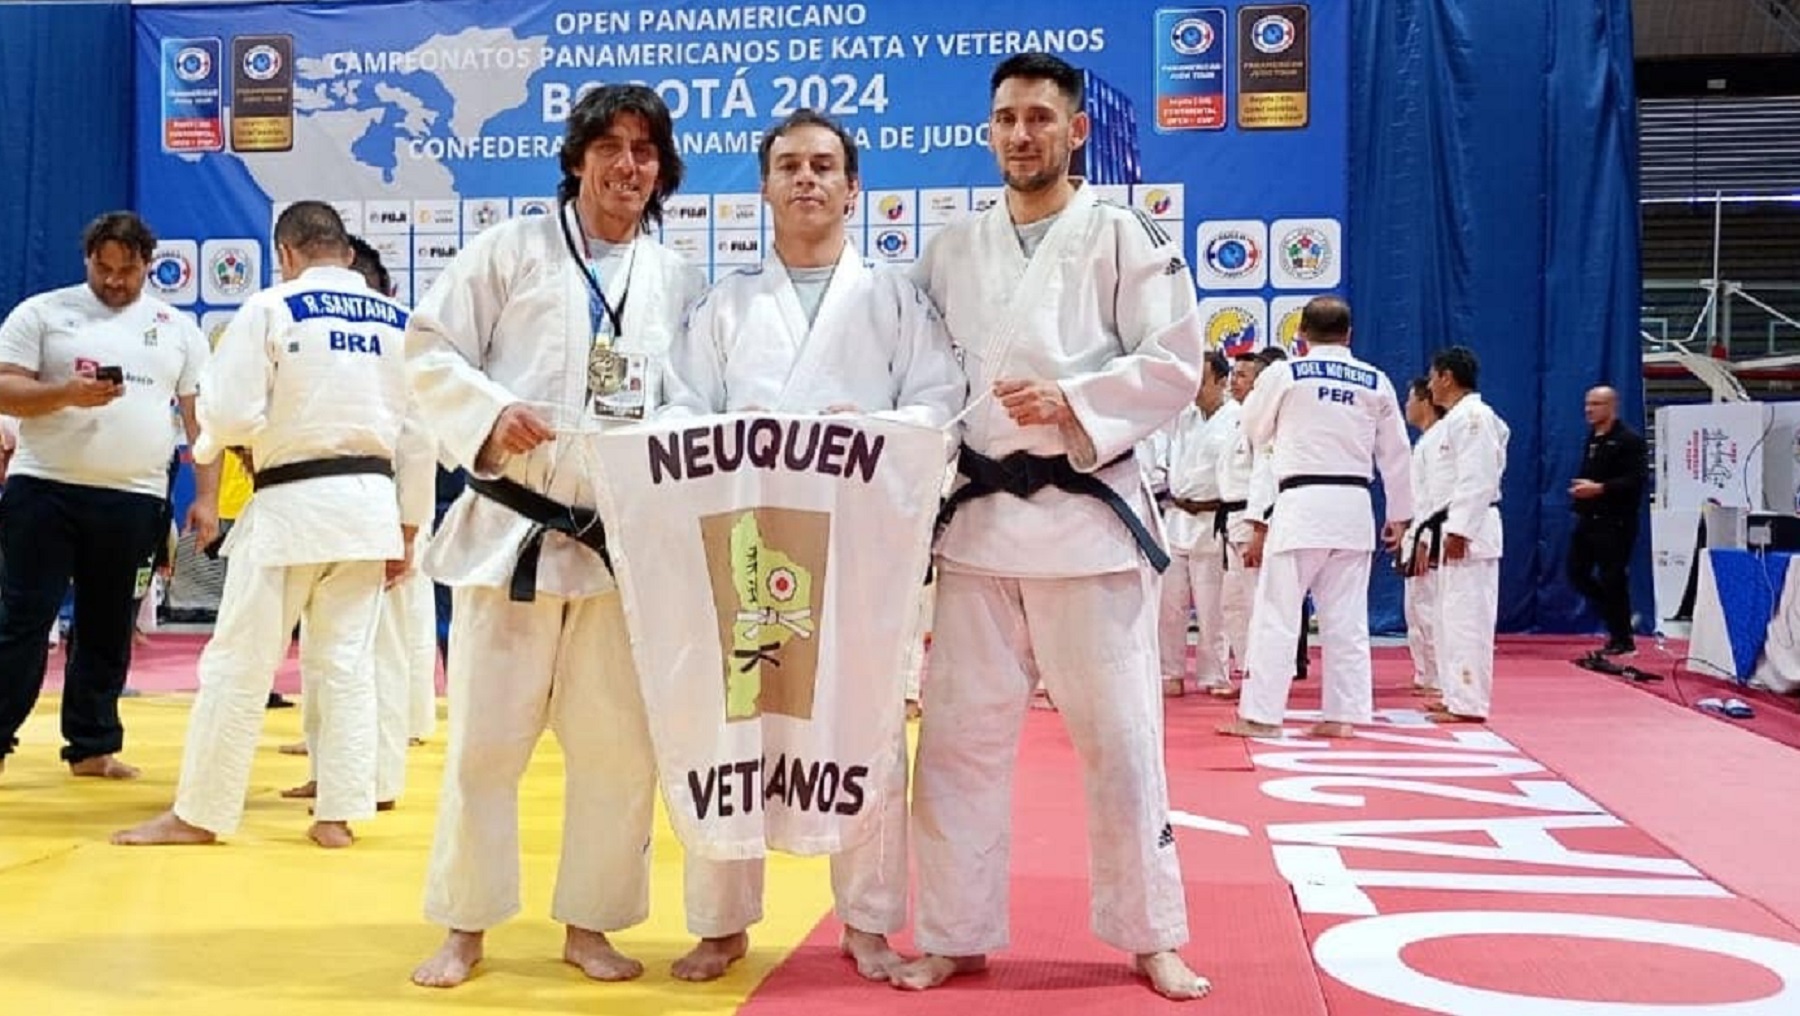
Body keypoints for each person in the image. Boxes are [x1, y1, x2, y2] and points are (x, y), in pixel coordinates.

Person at [894, 52, 1210, 1001]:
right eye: (1006, 119)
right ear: (988, 132)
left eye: (1039, 118)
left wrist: (1073, 398)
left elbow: (1175, 360)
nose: (1021, 134)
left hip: (1087, 526)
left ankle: (1151, 933)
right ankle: (954, 930)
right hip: (980, 530)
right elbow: (917, 376)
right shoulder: (949, 250)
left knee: (1120, 742)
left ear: (1076, 131)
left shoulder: (1123, 235)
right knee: (957, 746)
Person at [404, 83, 706, 989]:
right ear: (576, 158)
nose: (627, 166)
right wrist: (491, 416)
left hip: (617, 550)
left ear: (663, 170)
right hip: (513, 537)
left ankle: (592, 923)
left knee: (618, 748)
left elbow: (692, 395)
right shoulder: (511, 251)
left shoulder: (678, 276)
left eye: (645, 151)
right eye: (610, 146)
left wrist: (678, 439)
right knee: (486, 744)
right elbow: (428, 348)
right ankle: (465, 924)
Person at [662, 107, 966, 983]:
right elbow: (680, 411)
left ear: (852, 185)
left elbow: (938, 406)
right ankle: (721, 922)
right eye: (788, 165)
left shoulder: (896, 301)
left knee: (865, 725)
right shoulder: (724, 304)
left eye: (824, 166)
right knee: (731, 727)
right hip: (745, 552)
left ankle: (868, 920)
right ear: (763, 185)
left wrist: (868, 426)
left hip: (863, 553)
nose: (806, 179)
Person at [110, 201, 425, 850]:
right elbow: (419, 435)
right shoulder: (401, 321)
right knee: (345, 662)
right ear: (341, 249)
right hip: (370, 505)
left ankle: (200, 813)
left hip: (292, 505)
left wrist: (213, 450)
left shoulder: (272, 308)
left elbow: (228, 411)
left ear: (286, 253)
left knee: (238, 663)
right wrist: (410, 525)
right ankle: (338, 814)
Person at [0, 211, 217, 780]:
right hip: (43, 489)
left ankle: (92, 746)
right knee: (23, 619)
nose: (115, 281)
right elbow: (5, 388)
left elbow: (203, 424)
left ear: (150, 265)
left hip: (134, 498)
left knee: (108, 626)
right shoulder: (43, 313)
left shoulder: (177, 327)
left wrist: (208, 498)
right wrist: (65, 393)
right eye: (105, 268)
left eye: (128, 270)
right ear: (87, 260)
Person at [280, 235, 437, 807]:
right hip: (342, 512)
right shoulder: (331, 350)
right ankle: (332, 773)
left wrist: (409, 527)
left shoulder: (400, 338)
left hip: (383, 513)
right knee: (328, 655)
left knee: (379, 656)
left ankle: (379, 780)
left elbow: (420, 442)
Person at [1219, 296, 1411, 741]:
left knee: (1277, 614)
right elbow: (1397, 454)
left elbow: (1253, 426)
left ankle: (1263, 715)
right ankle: (1343, 716)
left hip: (1301, 504)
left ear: (1301, 333)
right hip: (1354, 506)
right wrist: (1400, 515)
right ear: (1349, 334)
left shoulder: (1285, 373)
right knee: (1346, 619)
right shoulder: (1374, 380)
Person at [1420, 347, 1508, 722]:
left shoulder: (1474, 416)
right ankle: (1455, 694)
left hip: (1469, 531)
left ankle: (1470, 703)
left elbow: (1478, 476)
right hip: (1451, 526)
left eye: (1431, 376)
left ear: (1446, 377)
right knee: (1447, 620)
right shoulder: (1457, 419)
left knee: (1467, 620)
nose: (1428, 384)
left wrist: (1460, 530)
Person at [1157, 351, 1242, 697]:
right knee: (1169, 606)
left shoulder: (1238, 419)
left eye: (1201, 380)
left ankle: (1215, 675)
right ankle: (1170, 673)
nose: (1194, 387)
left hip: (1211, 519)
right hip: (1176, 519)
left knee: (1213, 608)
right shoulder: (1183, 417)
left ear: (1222, 382)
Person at [1568, 385, 1646, 656]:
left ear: (1611, 407)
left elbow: (1635, 481)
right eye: (1587, 403)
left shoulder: (1628, 440)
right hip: (1589, 518)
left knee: (1613, 577)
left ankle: (1622, 639)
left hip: (1616, 522)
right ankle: (1618, 615)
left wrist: (1600, 488)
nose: (1589, 409)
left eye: (1596, 404)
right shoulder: (1593, 438)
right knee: (1576, 573)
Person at [1399, 377, 1448, 696]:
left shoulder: (1441, 438)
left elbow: (1438, 497)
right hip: (1418, 531)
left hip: (1431, 532)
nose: (1406, 405)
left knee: (1430, 608)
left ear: (1425, 401)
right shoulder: (1426, 441)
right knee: (1416, 608)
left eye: (1410, 398)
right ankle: (1426, 672)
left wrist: (1426, 538)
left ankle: (1439, 677)